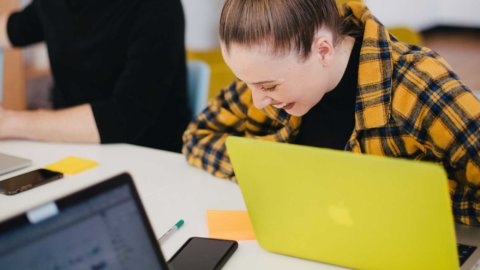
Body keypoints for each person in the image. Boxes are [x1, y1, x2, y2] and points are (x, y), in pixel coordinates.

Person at [182, 0, 480, 226]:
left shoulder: (417, 86)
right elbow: (197, 137)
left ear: (323, 51)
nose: (258, 100)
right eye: (248, 84)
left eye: (269, 86)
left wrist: (410, 198)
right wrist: (272, 170)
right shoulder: (267, 72)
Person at [0, 0, 190, 152]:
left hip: (146, 160)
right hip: (71, 150)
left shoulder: (159, 8)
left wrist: (12, 122)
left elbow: (125, 118)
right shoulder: (55, 4)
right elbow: (13, 29)